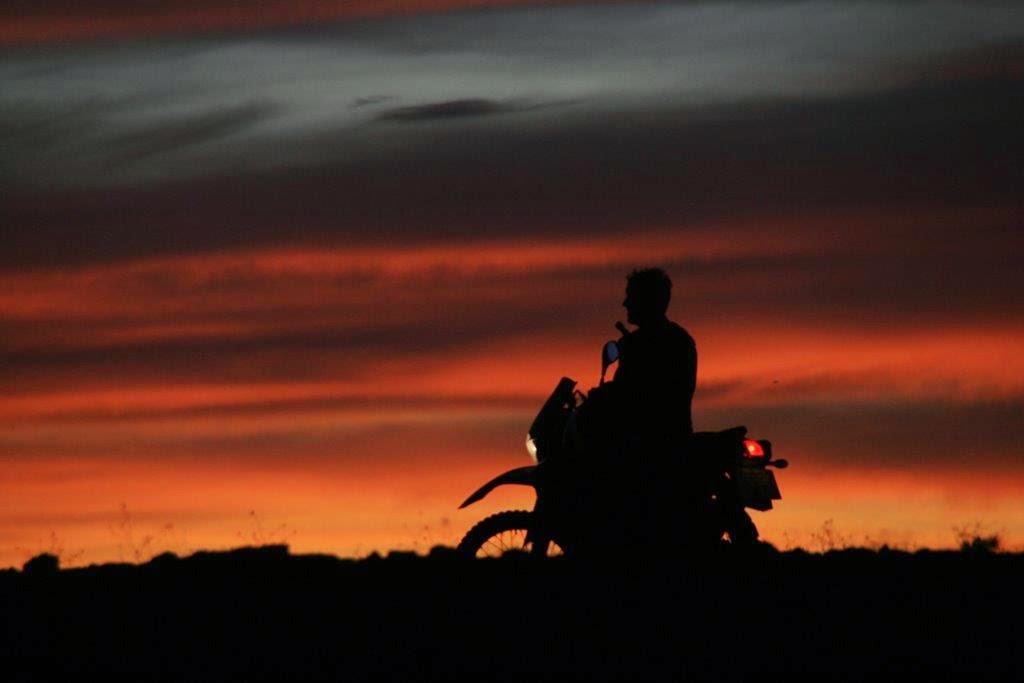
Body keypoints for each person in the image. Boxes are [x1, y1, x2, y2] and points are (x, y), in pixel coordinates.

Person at [613, 267, 697, 447]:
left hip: (647, 444)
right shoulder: (681, 338)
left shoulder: (638, 343)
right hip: (676, 439)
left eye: (631, 296)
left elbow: (629, 392)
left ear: (646, 300)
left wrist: (600, 397)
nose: (625, 303)